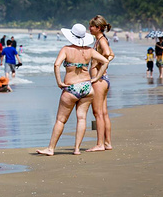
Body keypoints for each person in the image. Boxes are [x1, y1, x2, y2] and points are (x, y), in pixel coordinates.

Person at [36, 24, 109, 156]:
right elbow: (105, 61)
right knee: (81, 118)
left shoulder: (66, 49)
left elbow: (56, 64)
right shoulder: (89, 51)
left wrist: (59, 82)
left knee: (61, 120)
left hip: (71, 88)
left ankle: (51, 148)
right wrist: (96, 77)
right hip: (87, 88)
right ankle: (76, 149)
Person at [87, 15, 115, 152]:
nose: (89, 28)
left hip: (99, 81)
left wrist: (98, 72)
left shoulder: (101, 40)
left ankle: (100, 144)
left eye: (91, 26)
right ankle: (107, 143)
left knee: (97, 113)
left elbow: (108, 54)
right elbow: (111, 55)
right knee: (103, 113)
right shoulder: (101, 40)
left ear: (98, 28)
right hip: (104, 80)